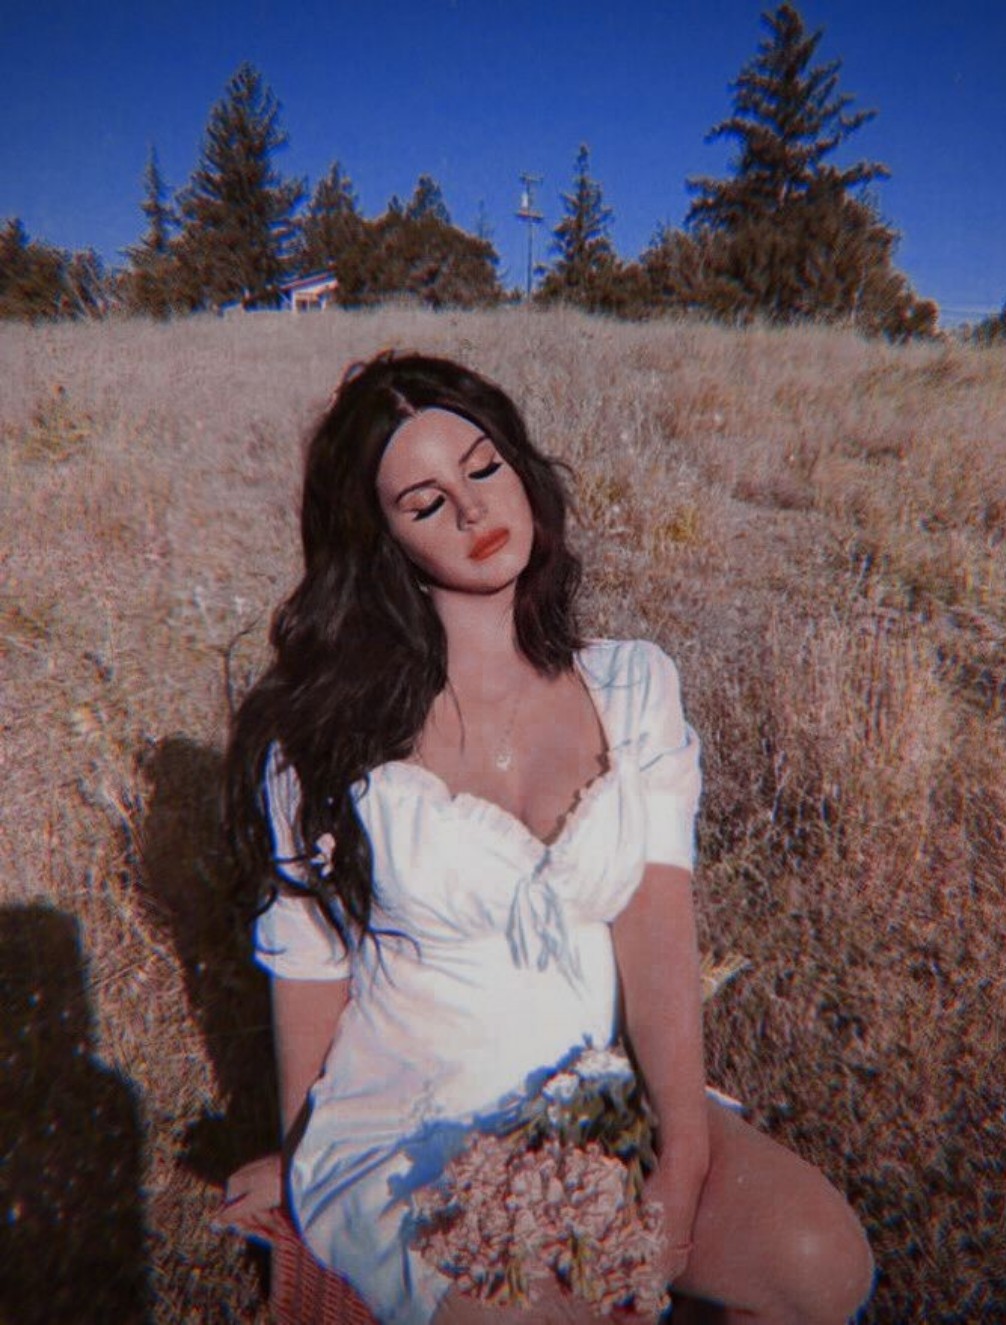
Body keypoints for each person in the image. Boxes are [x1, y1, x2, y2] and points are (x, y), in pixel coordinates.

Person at [221, 352, 874, 1324]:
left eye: (483, 468)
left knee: (822, 1266)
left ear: (521, 467)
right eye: (425, 502)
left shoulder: (632, 686)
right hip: (409, 1129)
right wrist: (301, 1151)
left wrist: (683, 1149)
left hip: (595, 1094)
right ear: (384, 539)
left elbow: (657, 934)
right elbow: (308, 974)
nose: (472, 510)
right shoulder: (320, 739)